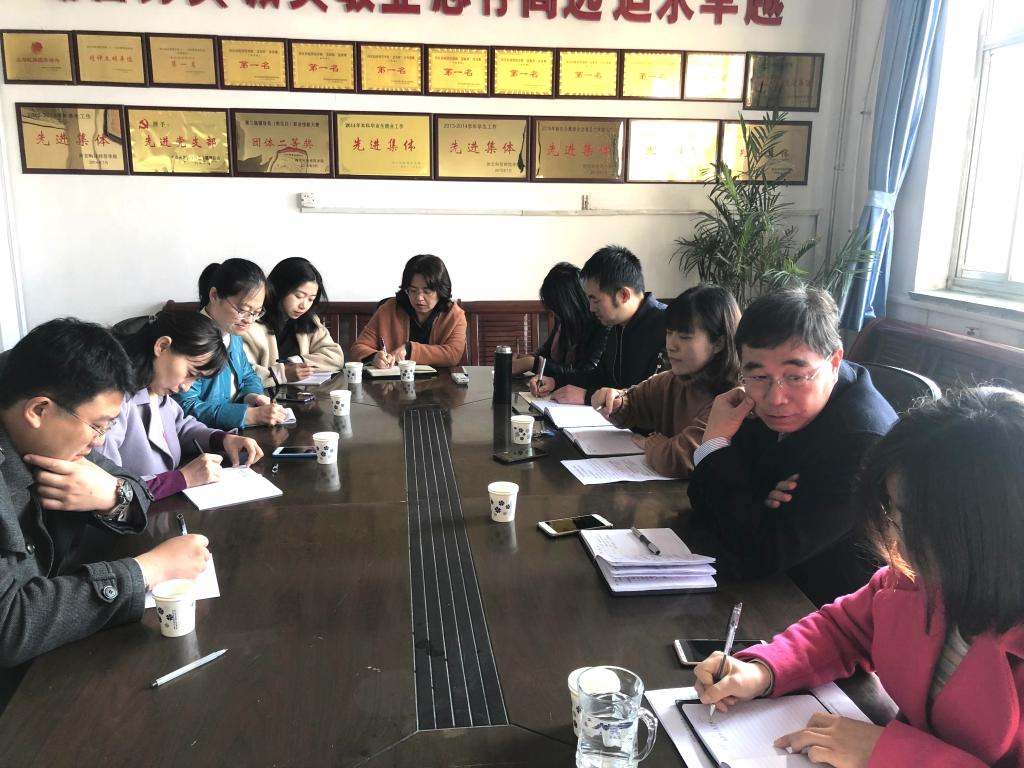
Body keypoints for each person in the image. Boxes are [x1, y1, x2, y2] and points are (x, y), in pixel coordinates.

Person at [695, 387, 1024, 768]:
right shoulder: (918, 578)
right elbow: (845, 629)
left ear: (992, 530)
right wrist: (763, 670)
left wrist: (890, 753)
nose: (894, 536)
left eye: (911, 519)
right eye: (892, 510)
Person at [0, 318, 211, 675]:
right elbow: (9, 625)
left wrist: (112, 494)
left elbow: (135, 488)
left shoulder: (55, 442)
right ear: (38, 410)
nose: (100, 441)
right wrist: (147, 571)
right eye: (97, 426)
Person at [687, 286, 897, 606]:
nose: (776, 398)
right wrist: (753, 496)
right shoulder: (751, 403)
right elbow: (701, 501)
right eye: (758, 376)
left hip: (827, 604)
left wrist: (716, 445)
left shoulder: (861, 440)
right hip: (772, 583)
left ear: (834, 361)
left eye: (796, 377)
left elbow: (758, 555)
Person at [100, 311, 264, 501]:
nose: (186, 387)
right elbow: (105, 488)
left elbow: (181, 426)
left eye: (196, 379)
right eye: (189, 373)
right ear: (162, 346)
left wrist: (224, 439)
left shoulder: (156, 390)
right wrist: (182, 478)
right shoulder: (112, 404)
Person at [591, 285, 740, 478]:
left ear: (718, 343)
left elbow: (681, 459)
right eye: (669, 333)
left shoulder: (732, 398)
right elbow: (634, 403)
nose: (671, 345)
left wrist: (651, 445)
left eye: (685, 337)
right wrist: (615, 402)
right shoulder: (672, 380)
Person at [530, 245, 666, 404]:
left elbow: (656, 398)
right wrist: (556, 381)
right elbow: (600, 376)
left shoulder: (667, 326)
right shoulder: (618, 325)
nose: (591, 308)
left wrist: (587, 396)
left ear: (623, 295)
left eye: (595, 300)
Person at [175, 258, 288, 430]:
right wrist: (249, 415)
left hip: (232, 431)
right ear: (214, 295)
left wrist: (253, 397)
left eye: (256, 312)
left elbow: (248, 375)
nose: (249, 320)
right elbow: (184, 407)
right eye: (242, 310)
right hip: (202, 437)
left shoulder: (232, 332)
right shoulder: (190, 338)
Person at [349, 254, 467, 368]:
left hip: (441, 380)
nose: (419, 298)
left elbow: (453, 354)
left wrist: (409, 350)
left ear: (441, 290)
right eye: (413, 290)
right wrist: (374, 357)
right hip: (394, 380)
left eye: (427, 291)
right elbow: (358, 348)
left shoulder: (454, 315)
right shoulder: (389, 309)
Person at [243, 257, 345, 387]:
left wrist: (296, 362)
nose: (304, 306)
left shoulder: (309, 320)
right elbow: (243, 372)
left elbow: (336, 357)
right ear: (280, 288)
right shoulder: (251, 323)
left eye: (311, 299)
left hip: (301, 395)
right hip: (262, 396)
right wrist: (282, 374)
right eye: (299, 296)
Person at [511, 262, 609, 382]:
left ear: (569, 304)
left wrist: (533, 363)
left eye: (556, 308)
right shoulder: (563, 321)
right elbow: (546, 351)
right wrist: (527, 358)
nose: (553, 314)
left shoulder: (602, 326)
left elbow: (585, 373)